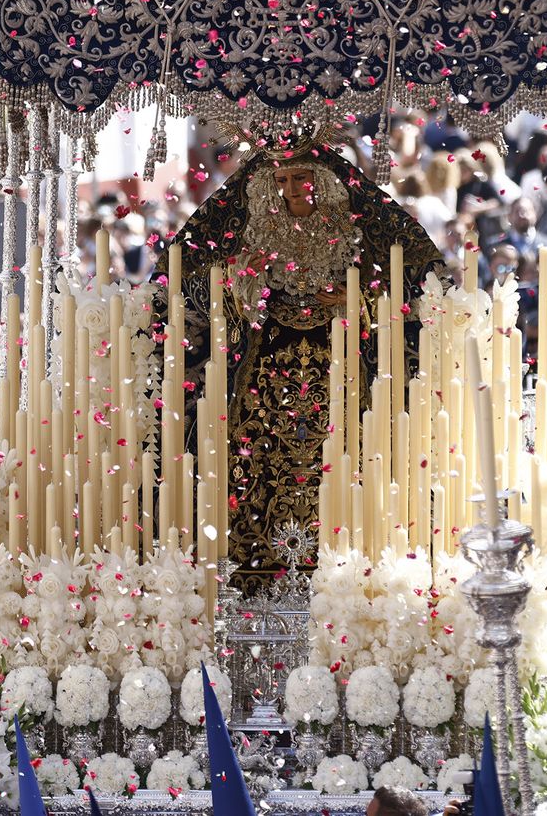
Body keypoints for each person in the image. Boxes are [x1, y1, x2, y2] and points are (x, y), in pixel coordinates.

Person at [163, 141, 444, 581]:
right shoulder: (260, 232)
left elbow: (396, 292)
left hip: (339, 366)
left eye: (300, 178)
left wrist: (354, 300)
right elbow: (216, 294)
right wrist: (245, 284)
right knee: (252, 458)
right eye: (280, 180)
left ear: (324, 182)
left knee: (344, 454)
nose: (291, 191)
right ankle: (251, 572)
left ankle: (341, 570)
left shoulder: (351, 232)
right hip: (266, 368)